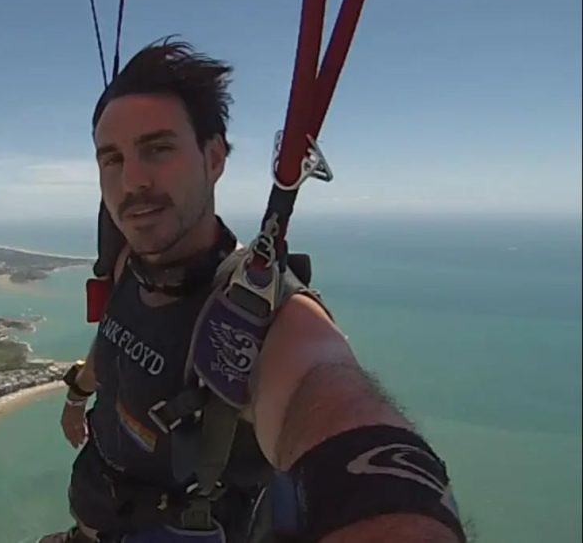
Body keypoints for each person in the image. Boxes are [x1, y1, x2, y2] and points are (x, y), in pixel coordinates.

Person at [42, 39, 466, 543]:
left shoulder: (259, 317)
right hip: (96, 515)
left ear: (214, 158)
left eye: (158, 149)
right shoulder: (128, 264)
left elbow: (328, 397)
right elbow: (116, 337)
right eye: (112, 158)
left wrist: (396, 510)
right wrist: (77, 393)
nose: (132, 180)